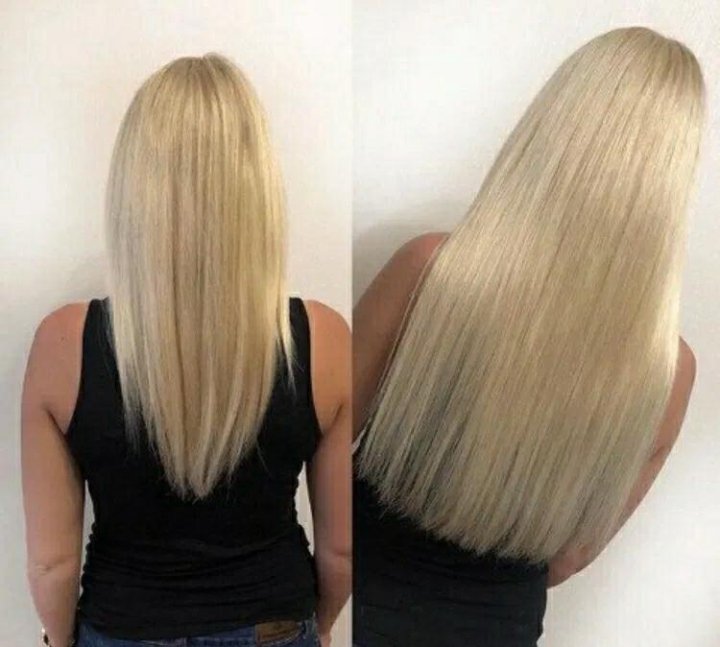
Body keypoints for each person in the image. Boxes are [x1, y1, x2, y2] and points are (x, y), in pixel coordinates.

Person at [353, 27, 703, 647]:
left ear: (549, 130)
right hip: (499, 627)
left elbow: (324, 437)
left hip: (362, 605)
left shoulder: (430, 273)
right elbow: (569, 559)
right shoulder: (667, 373)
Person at [21, 54, 351, 647]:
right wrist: (319, 629)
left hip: (122, 626)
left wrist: (58, 641)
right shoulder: (322, 338)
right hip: (274, 624)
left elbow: (52, 563)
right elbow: (342, 548)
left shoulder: (62, 345)